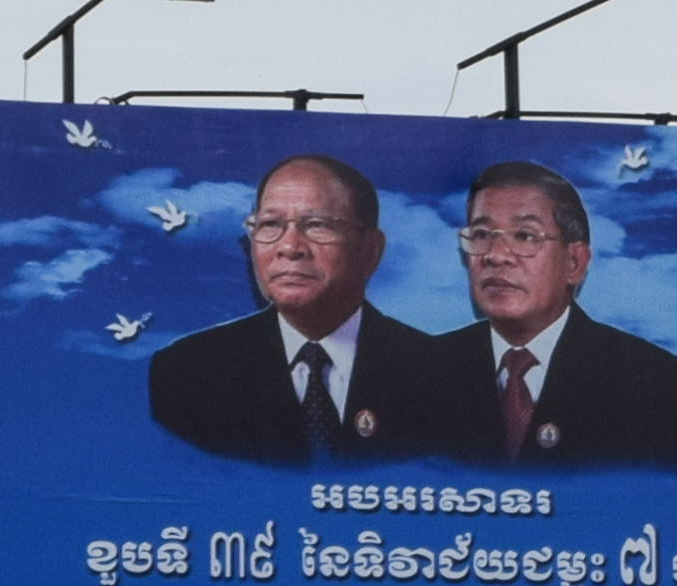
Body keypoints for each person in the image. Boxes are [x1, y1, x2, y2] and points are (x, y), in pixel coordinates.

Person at [142, 154, 483, 464]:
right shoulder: (186, 373)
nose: (290, 247)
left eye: (317, 225)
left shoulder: (442, 378)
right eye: (270, 225)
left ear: (370, 250)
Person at [442, 161, 677, 474]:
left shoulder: (657, 386)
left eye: (524, 236)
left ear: (574, 263)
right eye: (481, 234)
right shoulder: (420, 372)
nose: (495, 255)